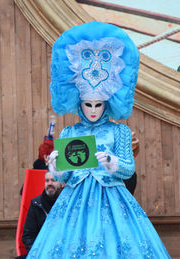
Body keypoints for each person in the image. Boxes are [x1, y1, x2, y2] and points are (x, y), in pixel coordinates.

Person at [27, 21, 170, 258]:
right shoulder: (69, 132)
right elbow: (64, 176)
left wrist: (113, 163)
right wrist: (54, 165)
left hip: (112, 200)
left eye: (98, 104)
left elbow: (128, 170)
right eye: (88, 104)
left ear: (107, 103)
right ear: (79, 103)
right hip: (74, 201)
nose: (93, 110)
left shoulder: (119, 132)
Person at [22, 171, 64, 255]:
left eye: (53, 180)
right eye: (47, 181)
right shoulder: (36, 204)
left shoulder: (69, 203)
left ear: (62, 184)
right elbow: (29, 235)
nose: (49, 183)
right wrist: (36, 254)